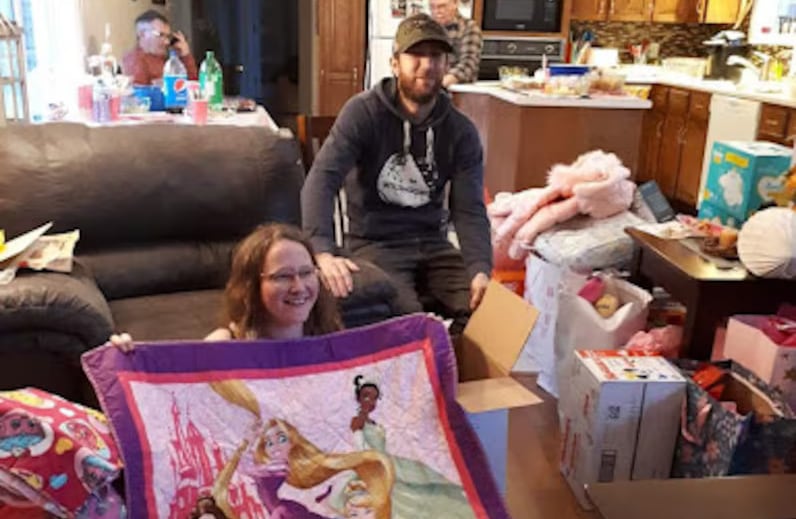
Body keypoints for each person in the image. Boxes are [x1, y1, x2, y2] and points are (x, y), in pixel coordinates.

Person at [301, 13, 492, 336]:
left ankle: (460, 376)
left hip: (435, 244)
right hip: (375, 245)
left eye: (436, 56)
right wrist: (321, 251)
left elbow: (470, 209)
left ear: (446, 64)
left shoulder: (461, 131)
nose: (427, 65)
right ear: (394, 63)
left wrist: (480, 269)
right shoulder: (363, 113)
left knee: (491, 315)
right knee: (413, 326)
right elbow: (322, 180)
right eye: (416, 55)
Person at [110, 223, 342, 350]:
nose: (298, 286)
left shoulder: (332, 339)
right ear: (252, 285)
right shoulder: (224, 344)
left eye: (306, 272)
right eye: (282, 276)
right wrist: (128, 358)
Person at [345, 376, 476, 519]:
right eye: (366, 396)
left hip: (387, 461)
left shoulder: (373, 422)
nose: (370, 401)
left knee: (421, 478)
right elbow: (361, 449)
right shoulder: (358, 421)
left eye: (374, 398)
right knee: (407, 494)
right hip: (378, 465)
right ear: (358, 398)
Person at [121, 9, 198, 86]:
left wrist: (185, 55)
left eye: (168, 36)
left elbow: (193, 86)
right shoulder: (134, 60)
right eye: (160, 35)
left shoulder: (165, 58)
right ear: (142, 34)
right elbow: (140, 95)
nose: (167, 42)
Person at [429, 0, 482, 87]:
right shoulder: (426, 29)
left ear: (455, 4)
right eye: (432, 7)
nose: (436, 12)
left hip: (458, 93)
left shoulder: (469, 27)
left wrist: (439, 85)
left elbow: (468, 64)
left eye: (442, 6)